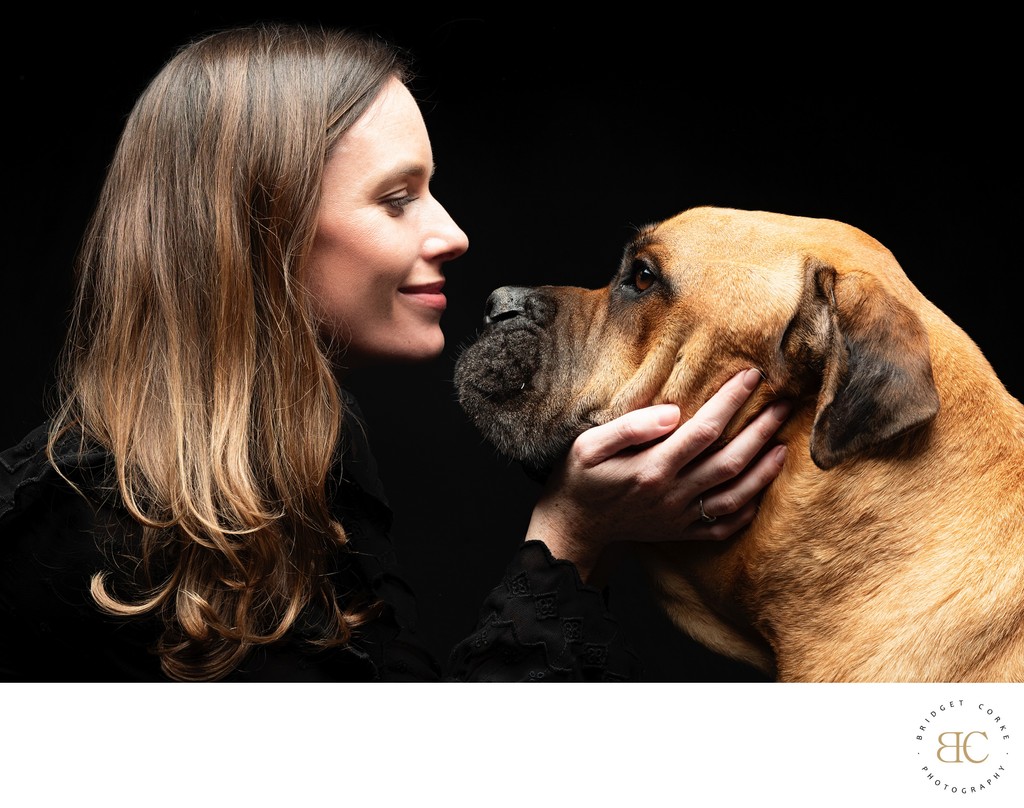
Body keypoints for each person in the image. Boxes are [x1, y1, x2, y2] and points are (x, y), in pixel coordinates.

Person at [0, 22, 789, 682]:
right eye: (397, 198)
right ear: (255, 231)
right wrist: (571, 541)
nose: (453, 234)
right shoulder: (59, 528)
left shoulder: (312, 464)